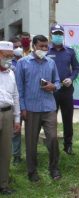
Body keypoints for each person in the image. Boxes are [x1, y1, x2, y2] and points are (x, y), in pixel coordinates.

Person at [15, 35, 61, 182]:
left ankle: (54, 168)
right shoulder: (23, 63)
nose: (43, 49)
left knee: (53, 138)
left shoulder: (51, 63)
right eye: (41, 46)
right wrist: (22, 108)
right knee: (31, 141)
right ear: (34, 46)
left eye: (46, 46)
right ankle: (32, 171)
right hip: (31, 108)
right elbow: (19, 88)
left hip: (49, 107)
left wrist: (54, 86)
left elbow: (58, 81)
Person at [47, 24, 79, 155]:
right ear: (51, 35)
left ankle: (68, 145)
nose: (58, 36)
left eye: (60, 34)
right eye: (56, 34)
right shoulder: (47, 51)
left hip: (66, 89)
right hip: (51, 90)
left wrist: (71, 78)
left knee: (67, 118)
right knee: (50, 119)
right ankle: (52, 145)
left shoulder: (70, 51)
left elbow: (76, 68)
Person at [0, 41, 20, 195]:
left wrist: (17, 118)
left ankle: (3, 184)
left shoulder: (11, 72)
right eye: (5, 56)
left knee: (6, 150)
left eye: (10, 56)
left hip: (7, 113)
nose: (8, 59)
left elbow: (15, 96)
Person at [9, 37, 23, 165]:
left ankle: (31, 153)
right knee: (16, 129)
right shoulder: (7, 62)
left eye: (19, 46)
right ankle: (16, 155)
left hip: (26, 99)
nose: (18, 48)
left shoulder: (27, 60)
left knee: (32, 128)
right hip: (14, 99)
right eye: (15, 46)